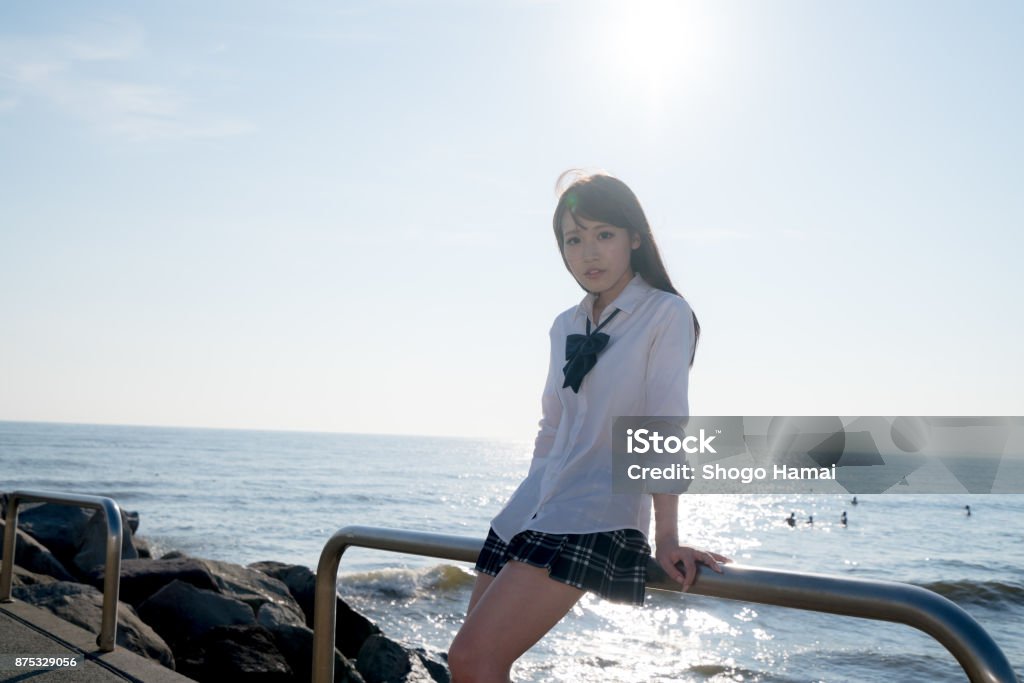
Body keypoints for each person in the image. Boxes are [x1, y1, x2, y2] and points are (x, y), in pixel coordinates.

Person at [448, 171, 731, 682]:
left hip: (595, 511)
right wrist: (526, 504)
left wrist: (667, 535)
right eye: (573, 240)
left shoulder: (666, 314)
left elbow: (662, 423)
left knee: (474, 659)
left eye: (604, 234)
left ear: (635, 238)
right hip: (530, 511)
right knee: (469, 665)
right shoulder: (565, 325)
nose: (588, 253)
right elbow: (551, 429)